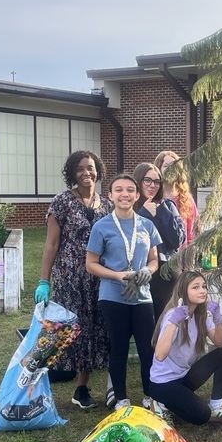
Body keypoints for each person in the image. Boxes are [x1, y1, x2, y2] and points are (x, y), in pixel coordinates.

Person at [36, 151, 112, 409]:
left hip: (98, 279)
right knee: (67, 330)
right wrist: (44, 281)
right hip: (69, 278)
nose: (86, 173)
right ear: (72, 173)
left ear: (98, 171)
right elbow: (51, 243)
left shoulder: (108, 205)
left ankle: (81, 388)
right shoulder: (62, 202)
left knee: (92, 330)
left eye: (90, 168)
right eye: (80, 168)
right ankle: (35, 385)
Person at [86, 174, 162, 412]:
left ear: (137, 195)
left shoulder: (147, 225)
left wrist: (146, 272)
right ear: (110, 195)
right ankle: (121, 399)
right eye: (119, 190)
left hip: (142, 296)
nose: (125, 194)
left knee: (146, 348)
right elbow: (91, 264)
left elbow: (154, 260)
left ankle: (150, 396)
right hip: (113, 295)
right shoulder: (102, 226)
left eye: (130, 190)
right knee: (118, 347)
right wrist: (117, 275)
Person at [148, 270, 222, 425]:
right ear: (182, 291)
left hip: (184, 377)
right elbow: (159, 355)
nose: (202, 291)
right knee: (201, 416)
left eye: (204, 286)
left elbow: (219, 343)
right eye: (195, 287)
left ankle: (216, 405)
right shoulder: (173, 314)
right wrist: (174, 322)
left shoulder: (201, 315)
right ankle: (160, 402)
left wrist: (218, 319)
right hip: (163, 384)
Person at [133, 162, 185, 319]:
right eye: (147, 180)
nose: (152, 185)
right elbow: (131, 237)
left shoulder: (168, 205)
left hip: (166, 272)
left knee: (165, 323)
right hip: (139, 272)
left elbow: (177, 240)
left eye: (157, 181)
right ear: (138, 181)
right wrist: (144, 213)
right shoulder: (130, 207)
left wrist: (160, 212)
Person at [155, 150, 199, 246]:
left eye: (174, 166)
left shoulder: (187, 199)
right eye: (166, 166)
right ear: (159, 169)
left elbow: (195, 231)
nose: (170, 169)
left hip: (182, 257)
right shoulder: (154, 197)